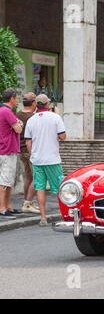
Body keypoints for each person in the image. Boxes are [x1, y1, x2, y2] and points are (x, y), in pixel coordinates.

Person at [24, 94, 66, 226]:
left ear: (36, 104)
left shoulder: (31, 120)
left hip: (37, 160)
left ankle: (43, 218)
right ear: (47, 104)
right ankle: (64, 216)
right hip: (52, 159)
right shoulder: (55, 118)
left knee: (40, 188)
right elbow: (63, 136)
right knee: (60, 188)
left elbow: (28, 142)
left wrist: (32, 155)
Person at [0, 89, 24, 220]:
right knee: (5, 180)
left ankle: (8, 206)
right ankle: (2, 208)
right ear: (12, 98)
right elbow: (19, 128)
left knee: (7, 180)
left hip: (4, 149)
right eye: (16, 98)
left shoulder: (2, 110)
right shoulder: (7, 112)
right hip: (7, 150)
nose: (17, 100)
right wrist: (19, 123)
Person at [16, 93, 40, 214]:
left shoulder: (18, 114)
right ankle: (28, 203)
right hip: (31, 151)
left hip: (20, 150)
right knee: (37, 178)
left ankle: (27, 202)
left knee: (28, 177)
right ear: (34, 103)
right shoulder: (33, 117)